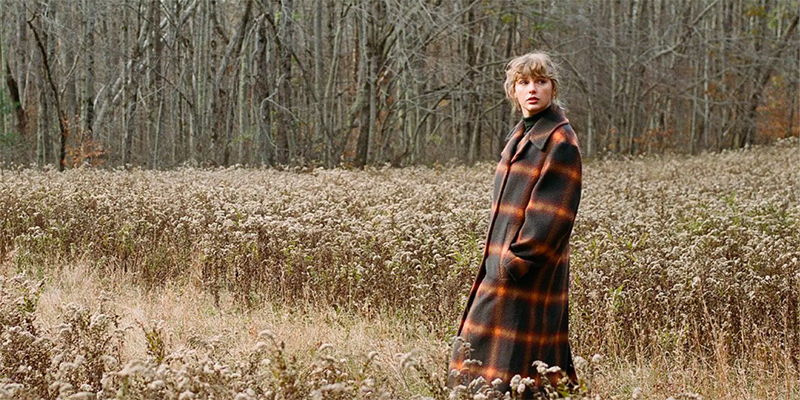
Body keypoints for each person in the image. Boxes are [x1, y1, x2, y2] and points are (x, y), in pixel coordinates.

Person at [449, 52, 582, 395]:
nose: (532, 89)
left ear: (553, 88)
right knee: (499, 361)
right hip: (503, 266)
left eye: (541, 81)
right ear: (513, 91)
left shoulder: (559, 140)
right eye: (524, 83)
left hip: (526, 272)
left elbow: (552, 216)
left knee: (516, 364)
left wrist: (513, 263)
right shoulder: (521, 135)